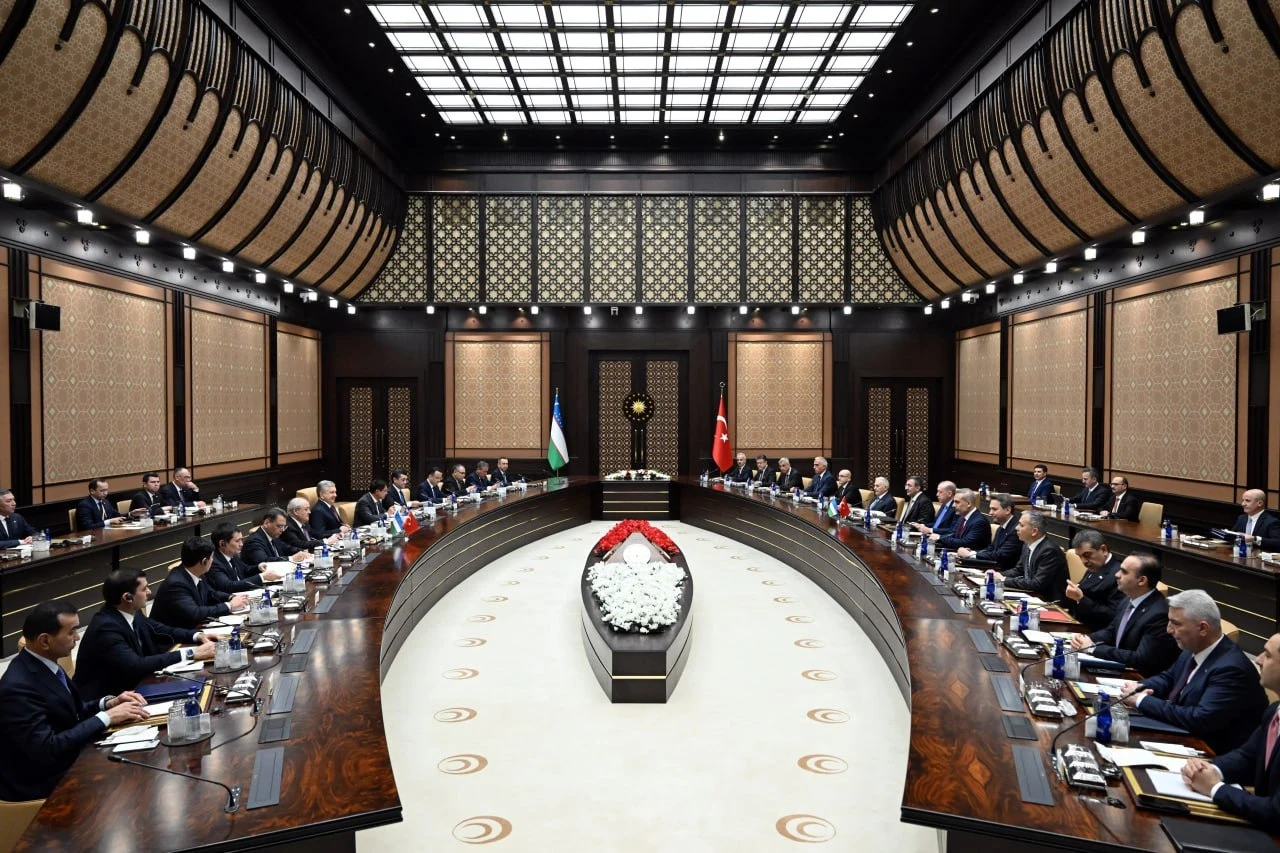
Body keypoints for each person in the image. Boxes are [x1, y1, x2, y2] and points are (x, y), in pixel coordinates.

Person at [0, 601, 149, 801]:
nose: (77, 637)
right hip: (41, 782)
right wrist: (106, 717)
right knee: (128, 779)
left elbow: (72, 712)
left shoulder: (45, 664)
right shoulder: (17, 687)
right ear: (45, 641)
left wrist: (108, 704)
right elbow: (48, 748)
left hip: (66, 759)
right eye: (71, 632)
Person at [1119, 590, 1266, 754]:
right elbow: (1168, 678)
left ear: (1203, 628)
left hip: (1209, 752)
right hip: (1181, 735)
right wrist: (1138, 687)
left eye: (1176, 624)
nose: (1168, 630)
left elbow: (1200, 719)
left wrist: (1142, 701)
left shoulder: (1231, 669)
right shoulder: (1193, 647)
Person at [1182, 632, 1280, 832]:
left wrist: (1215, 788)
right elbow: (1247, 757)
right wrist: (1210, 770)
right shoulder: (1274, 711)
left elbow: (1276, 812)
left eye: (1268, 655)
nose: (1259, 660)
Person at [73, 570, 217, 697]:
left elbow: (160, 629)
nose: (149, 592)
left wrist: (197, 635)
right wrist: (190, 653)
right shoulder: (106, 628)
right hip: (111, 699)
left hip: (136, 686)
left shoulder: (130, 612)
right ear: (127, 597)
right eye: (144, 589)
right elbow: (135, 665)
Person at [1070, 552, 1179, 675]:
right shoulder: (1128, 599)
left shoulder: (1159, 614)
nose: (1117, 575)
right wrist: (1087, 639)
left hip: (1138, 677)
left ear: (1142, 580)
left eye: (1124, 572)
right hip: (1119, 667)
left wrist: (1093, 649)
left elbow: (1141, 659)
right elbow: (1112, 631)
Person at [149, 538, 249, 630]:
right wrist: (229, 606)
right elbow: (195, 613)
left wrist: (231, 597)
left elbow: (210, 593)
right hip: (174, 638)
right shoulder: (175, 584)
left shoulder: (196, 572)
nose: (213, 560)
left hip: (193, 628)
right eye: (212, 557)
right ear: (204, 562)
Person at [993, 511, 1067, 601]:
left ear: (1034, 531)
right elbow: (1019, 570)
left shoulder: (1049, 551)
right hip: (1031, 595)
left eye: (1021, 525)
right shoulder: (1027, 544)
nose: (1016, 528)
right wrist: (997, 575)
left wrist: (1004, 580)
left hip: (1048, 601)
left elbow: (1037, 584)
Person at [1062, 530, 1125, 630]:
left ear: (1104, 550)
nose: (1083, 561)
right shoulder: (1096, 566)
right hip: (1077, 623)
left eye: (1087, 555)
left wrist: (1081, 599)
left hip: (1095, 631)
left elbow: (1113, 616)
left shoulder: (1119, 575)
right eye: (1080, 556)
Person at [207, 524, 286, 592]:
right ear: (222, 544)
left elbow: (246, 570)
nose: (241, 544)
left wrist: (259, 567)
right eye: (237, 541)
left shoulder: (233, 555)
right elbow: (229, 586)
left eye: (241, 540)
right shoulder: (214, 563)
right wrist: (262, 577)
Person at [957, 493, 1020, 569]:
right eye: (990, 509)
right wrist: (973, 552)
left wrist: (971, 555)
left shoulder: (1016, 530)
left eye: (994, 509)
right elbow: (991, 548)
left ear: (1007, 510)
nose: (990, 513)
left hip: (1002, 570)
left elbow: (1001, 555)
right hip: (993, 566)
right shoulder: (1002, 526)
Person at [242, 508, 307, 566]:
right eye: (279, 526)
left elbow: (287, 548)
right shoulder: (254, 541)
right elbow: (265, 561)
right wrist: (291, 558)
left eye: (284, 526)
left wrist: (303, 552)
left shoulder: (273, 536)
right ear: (267, 523)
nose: (282, 530)